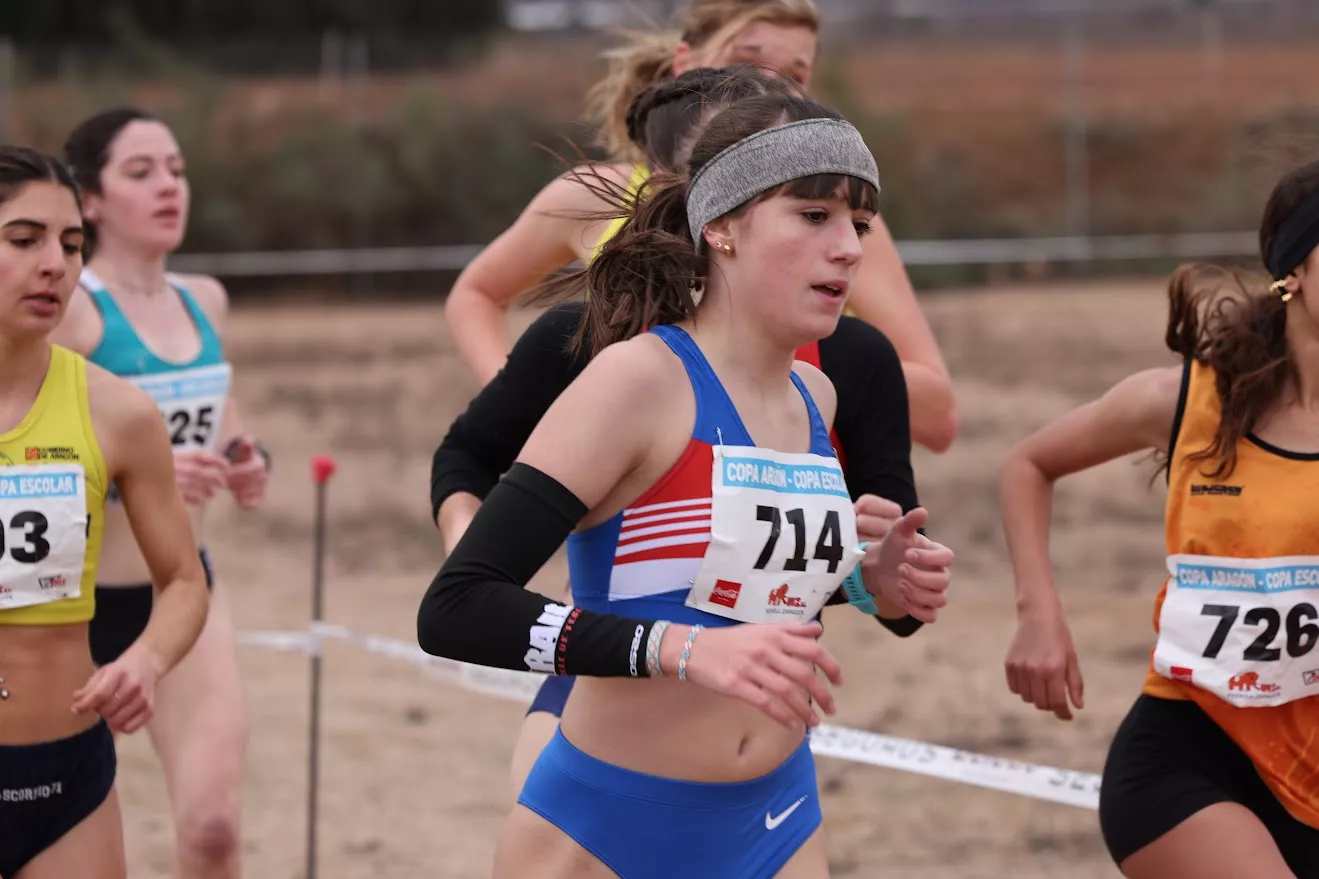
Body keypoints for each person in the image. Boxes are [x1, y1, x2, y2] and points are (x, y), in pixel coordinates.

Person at [419, 91, 955, 879]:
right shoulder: (635, 381)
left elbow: (728, 587)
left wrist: (867, 581)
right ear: (722, 226)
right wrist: (679, 649)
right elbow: (456, 608)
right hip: (607, 827)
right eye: (813, 216)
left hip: (778, 820)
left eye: (861, 225)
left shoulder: (816, 398)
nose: (848, 249)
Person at [443, 0, 957, 452]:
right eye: (746, 62)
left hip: (797, 502)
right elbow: (477, 293)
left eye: (795, 75)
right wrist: (528, 405)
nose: (771, 88)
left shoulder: (838, 222)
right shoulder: (594, 197)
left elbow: (938, 417)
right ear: (685, 65)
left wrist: (784, 365)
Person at [999, 160, 1319, 878]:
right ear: (1294, 271)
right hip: (1189, 759)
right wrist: (1038, 613)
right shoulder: (1182, 401)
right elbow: (1027, 464)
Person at [50, 107, 271, 879]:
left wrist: (246, 457)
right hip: (66, 611)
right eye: (140, 172)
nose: (168, 186)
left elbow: (219, 415)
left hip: (181, 595)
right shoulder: (71, 309)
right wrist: (137, 477)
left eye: (175, 169)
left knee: (213, 826)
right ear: (90, 199)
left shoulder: (204, 299)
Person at [0, 144, 209, 879]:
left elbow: (184, 579)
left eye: (70, 244)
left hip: (67, 777)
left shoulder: (118, 413)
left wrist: (147, 660)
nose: (54, 265)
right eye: (24, 239)